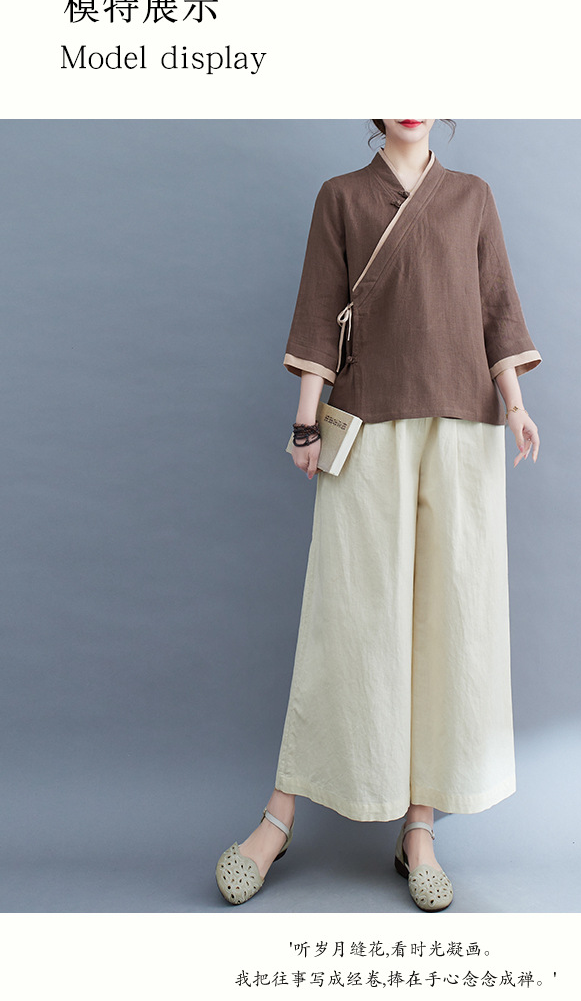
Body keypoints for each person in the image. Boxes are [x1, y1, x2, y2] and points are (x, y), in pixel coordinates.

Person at [215, 119, 541, 911]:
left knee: (447, 622)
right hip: (367, 421)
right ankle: (279, 815)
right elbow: (320, 308)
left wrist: (516, 404)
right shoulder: (341, 198)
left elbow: (497, 307)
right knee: (349, 617)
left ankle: (418, 829)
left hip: (464, 428)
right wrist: (305, 421)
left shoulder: (473, 197)